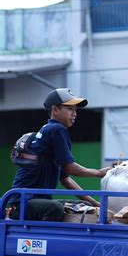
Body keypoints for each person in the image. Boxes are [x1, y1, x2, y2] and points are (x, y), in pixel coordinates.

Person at [7, 88, 112, 222]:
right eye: (70, 109)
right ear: (55, 110)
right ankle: (42, 240)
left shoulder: (49, 131)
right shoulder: (56, 129)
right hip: (23, 203)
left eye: (75, 110)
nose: (74, 114)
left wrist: (95, 203)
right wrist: (98, 173)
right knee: (55, 208)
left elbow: (66, 179)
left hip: (32, 203)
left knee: (84, 206)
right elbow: (70, 167)